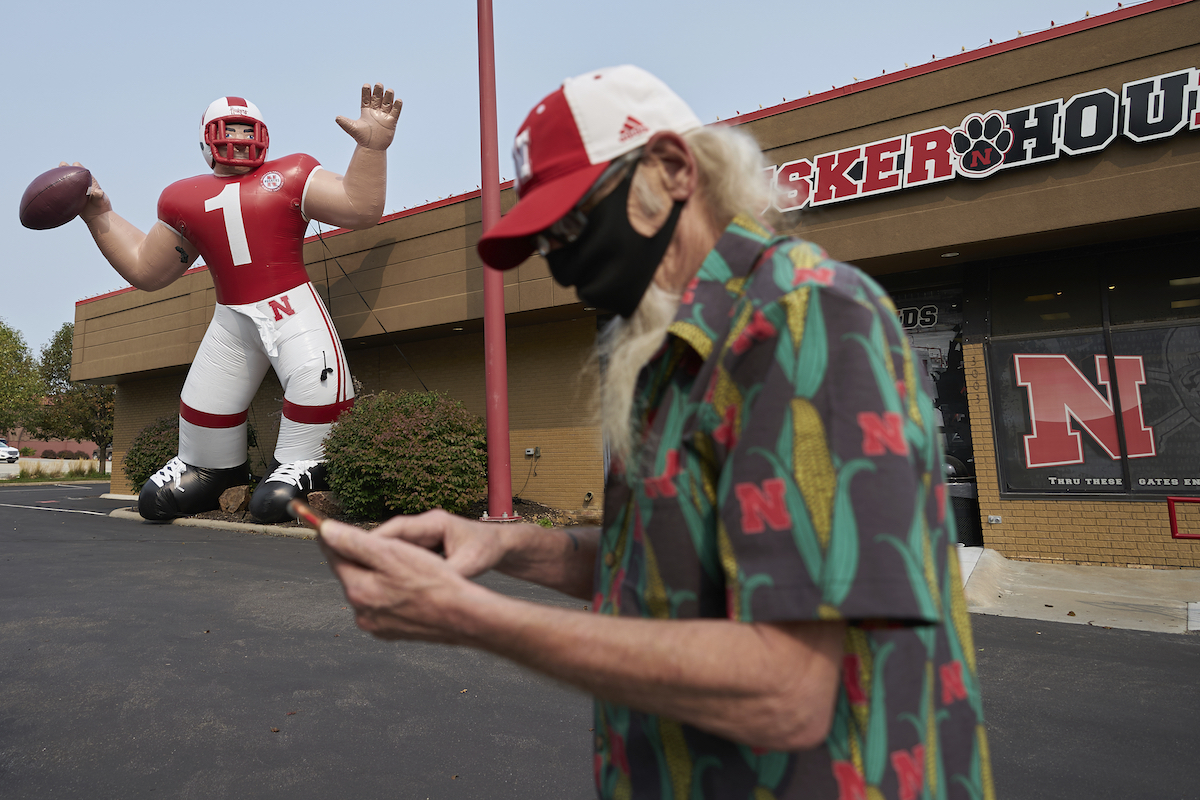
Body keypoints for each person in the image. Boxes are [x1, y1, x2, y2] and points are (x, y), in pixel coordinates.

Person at [317, 66, 993, 799]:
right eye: (547, 241)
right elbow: (656, 567)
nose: (562, 260)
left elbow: (787, 689)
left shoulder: (808, 318)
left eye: (573, 222)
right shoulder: (663, 353)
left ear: (672, 169)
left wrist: (469, 616)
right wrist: (505, 546)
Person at [71, 84, 402, 522]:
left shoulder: (293, 173)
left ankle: (308, 462)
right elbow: (147, 270)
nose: (241, 137)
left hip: (290, 307)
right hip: (231, 317)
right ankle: (211, 470)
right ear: (207, 138)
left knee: (314, 384)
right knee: (203, 404)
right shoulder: (181, 197)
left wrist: (371, 149)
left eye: (248, 128)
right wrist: (99, 214)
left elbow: (359, 208)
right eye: (232, 128)